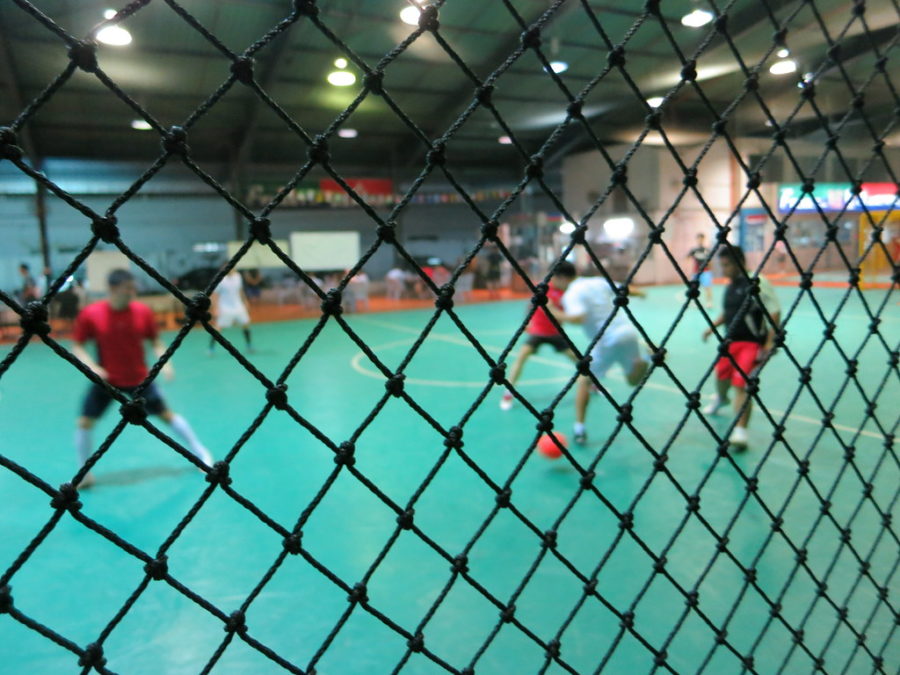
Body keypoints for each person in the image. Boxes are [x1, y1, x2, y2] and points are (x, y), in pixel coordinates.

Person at [71, 269, 213, 487]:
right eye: (126, 288)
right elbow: (77, 347)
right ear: (112, 289)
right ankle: (85, 473)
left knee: (166, 415)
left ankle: (201, 454)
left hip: (139, 379)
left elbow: (155, 342)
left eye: (133, 288)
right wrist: (93, 368)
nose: (132, 292)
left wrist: (165, 363)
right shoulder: (92, 314)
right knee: (84, 422)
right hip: (106, 381)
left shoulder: (142, 312)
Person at [554, 266, 650, 445]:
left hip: (605, 341)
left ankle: (579, 429)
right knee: (633, 381)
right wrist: (641, 293)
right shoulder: (597, 281)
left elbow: (578, 318)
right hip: (628, 333)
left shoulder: (572, 293)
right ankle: (647, 359)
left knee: (584, 381)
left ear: (561, 277)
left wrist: (555, 313)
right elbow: (624, 289)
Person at [702, 245, 781, 449]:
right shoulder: (731, 285)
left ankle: (740, 431)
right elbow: (728, 314)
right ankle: (721, 398)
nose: (724, 269)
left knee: (742, 385)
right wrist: (711, 328)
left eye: (727, 265)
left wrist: (769, 343)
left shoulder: (757, 282)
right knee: (721, 377)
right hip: (730, 342)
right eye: (722, 265)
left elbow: (774, 312)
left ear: (740, 263)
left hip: (751, 343)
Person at [500, 261, 579, 411]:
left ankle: (593, 385)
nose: (570, 284)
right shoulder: (542, 289)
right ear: (560, 277)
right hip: (538, 332)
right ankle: (508, 393)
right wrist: (526, 322)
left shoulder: (568, 293)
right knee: (521, 358)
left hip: (556, 333)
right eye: (568, 280)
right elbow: (533, 305)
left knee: (578, 361)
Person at [209, 267, 253, 354]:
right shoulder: (220, 279)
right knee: (218, 328)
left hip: (238, 306)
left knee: (246, 324)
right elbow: (214, 294)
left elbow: (240, 291)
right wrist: (215, 308)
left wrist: (245, 301)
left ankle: (249, 345)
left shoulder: (238, 276)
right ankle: (211, 348)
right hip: (225, 307)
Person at [685, 233, 714, 307]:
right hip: (696, 272)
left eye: (701, 239)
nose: (700, 240)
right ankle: (695, 301)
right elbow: (687, 257)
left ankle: (709, 302)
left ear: (703, 239)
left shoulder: (706, 250)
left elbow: (710, 261)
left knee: (707, 287)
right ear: (697, 240)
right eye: (698, 239)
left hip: (705, 271)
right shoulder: (694, 250)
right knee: (694, 288)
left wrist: (711, 269)